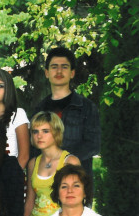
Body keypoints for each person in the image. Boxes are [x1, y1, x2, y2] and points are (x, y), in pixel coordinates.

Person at [32, 46, 100, 180]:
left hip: (77, 181)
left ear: (72, 73)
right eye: (54, 67)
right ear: (46, 73)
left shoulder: (86, 107)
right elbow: (34, 147)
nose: (59, 71)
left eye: (64, 67)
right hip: (46, 180)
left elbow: (93, 145)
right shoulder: (39, 109)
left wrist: (63, 160)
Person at [22, 112, 81, 216]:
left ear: (56, 132)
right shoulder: (33, 163)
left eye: (45, 131)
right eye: (35, 131)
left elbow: (77, 203)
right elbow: (30, 200)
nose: (39, 136)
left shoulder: (70, 162)